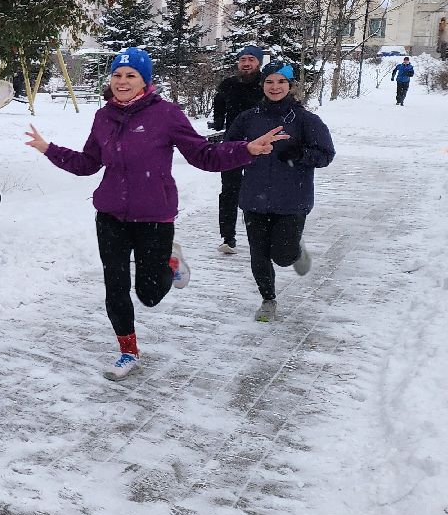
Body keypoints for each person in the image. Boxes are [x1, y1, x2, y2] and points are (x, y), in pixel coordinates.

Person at [24, 47, 285, 380]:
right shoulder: (103, 117)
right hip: (110, 215)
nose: (122, 81)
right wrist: (49, 149)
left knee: (148, 294)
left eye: (131, 75)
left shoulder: (166, 114)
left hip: (154, 216)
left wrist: (245, 149)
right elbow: (89, 163)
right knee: (115, 286)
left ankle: (170, 263)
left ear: (145, 81)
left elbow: (203, 155)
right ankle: (128, 352)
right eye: (117, 75)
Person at [225, 62, 335, 322]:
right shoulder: (248, 118)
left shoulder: (306, 120)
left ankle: (294, 251)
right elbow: (229, 148)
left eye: (281, 82)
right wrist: (245, 148)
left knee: (283, 256)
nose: (275, 87)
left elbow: (326, 155)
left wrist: (301, 154)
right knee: (258, 254)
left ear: (291, 86)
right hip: (254, 198)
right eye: (269, 82)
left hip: (292, 199)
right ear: (262, 85)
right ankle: (268, 299)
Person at [208, 45, 264, 254]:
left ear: (258, 63)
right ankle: (228, 237)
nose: (247, 63)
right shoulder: (228, 84)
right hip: (232, 146)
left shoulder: (264, 85)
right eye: (243, 60)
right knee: (229, 191)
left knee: (258, 191)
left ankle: (259, 235)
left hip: (260, 146)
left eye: (251, 59)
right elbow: (219, 107)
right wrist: (218, 124)